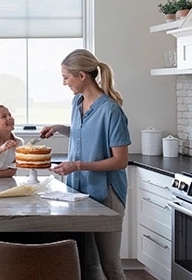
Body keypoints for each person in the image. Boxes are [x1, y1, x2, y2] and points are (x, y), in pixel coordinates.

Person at [40, 49, 131, 280]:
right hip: (79, 192)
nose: (64, 82)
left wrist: (77, 166)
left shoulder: (111, 111)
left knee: (109, 263)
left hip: (106, 194)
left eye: (66, 77)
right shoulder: (77, 102)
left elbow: (120, 160)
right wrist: (60, 128)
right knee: (88, 262)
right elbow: (84, 135)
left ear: (81, 76)